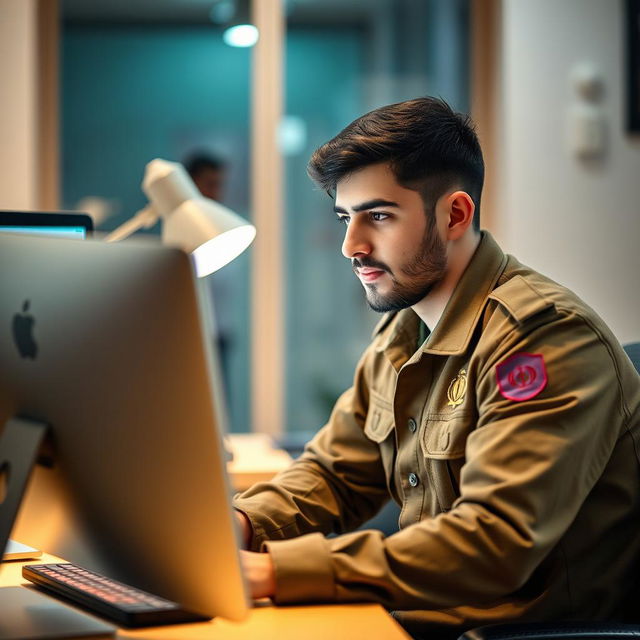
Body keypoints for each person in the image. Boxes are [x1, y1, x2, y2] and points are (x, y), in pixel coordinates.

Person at [233, 97, 640, 639]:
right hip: (413, 621)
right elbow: (335, 474)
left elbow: (493, 541)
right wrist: (240, 526)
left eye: (378, 216)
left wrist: (275, 572)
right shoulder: (404, 332)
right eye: (344, 217)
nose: (351, 245)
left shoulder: (543, 338)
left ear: (454, 215)